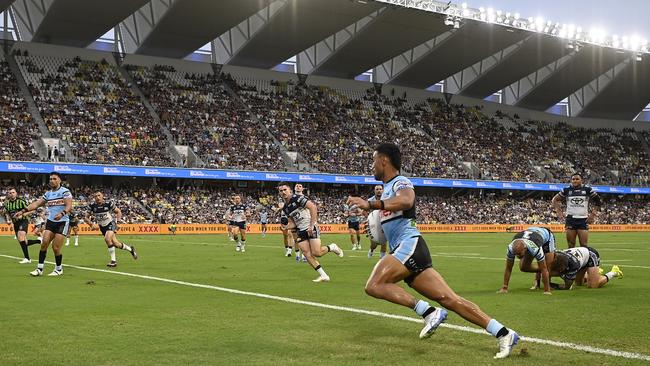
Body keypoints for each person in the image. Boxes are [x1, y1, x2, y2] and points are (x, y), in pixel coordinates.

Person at [346, 143, 518, 359]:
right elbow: (387, 223)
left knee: (374, 285)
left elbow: (407, 200)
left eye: (373, 161)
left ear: (384, 161)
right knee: (450, 299)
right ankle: (504, 333)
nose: (371, 166)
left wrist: (372, 205)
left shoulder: (401, 182)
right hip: (409, 249)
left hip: (409, 245)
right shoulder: (386, 191)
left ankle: (428, 311)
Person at [278, 182, 343, 282]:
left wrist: (312, 225)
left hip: (310, 227)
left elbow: (313, 207)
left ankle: (332, 247)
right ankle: (324, 275)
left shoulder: (298, 198)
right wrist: (285, 227)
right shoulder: (285, 208)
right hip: (300, 230)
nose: (283, 192)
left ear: (290, 190)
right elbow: (292, 223)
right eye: (281, 191)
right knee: (307, 254)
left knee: (317, 253)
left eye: (285, 190)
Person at [15, 172, 71, 276]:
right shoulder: (48, 194)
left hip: (62, 222)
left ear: (59, 180)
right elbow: (36, 204)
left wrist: (62, 213)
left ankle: (58, 269)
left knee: (56, 247)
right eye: (50, 179)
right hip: (50, 221)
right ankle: (39, 269)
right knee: (44, 243)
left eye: (54, 179)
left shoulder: (65, 192)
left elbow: (69, 205)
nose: (52, 181)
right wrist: (23, 211)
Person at [86, 191, 138, 267]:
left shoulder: (108, 203)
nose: (97, 197)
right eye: (95, 196)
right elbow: (86, 217)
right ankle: (131, 249)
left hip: (110, 223)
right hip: (102, 226)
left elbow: (118, 212)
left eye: (99, 195)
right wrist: (91, 224)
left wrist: (118, 222)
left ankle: (113, 261)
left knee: (107, 239)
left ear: (102, 196)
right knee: (116, 244)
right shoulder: (92, 206)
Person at [497, 227, 555, 295]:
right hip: (532, 235)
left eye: (519, 254)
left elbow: (544, 268)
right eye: (516, 254)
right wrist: (504, 287)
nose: (518, 256)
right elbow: (508, 268)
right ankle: (539, 278)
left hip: (547, 237)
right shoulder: (510, 248)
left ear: (525, 249)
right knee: (524, 267)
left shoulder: (535, 248)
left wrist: (547, 291)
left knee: (547, 267)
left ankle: (548, 285)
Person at [552, 173, 601, 248]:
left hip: (583, 219)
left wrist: (593, 215)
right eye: (573, 179)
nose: (575, 181)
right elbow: (555, 199)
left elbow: (598, 201)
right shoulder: (566, 190)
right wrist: (558, 212)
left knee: (584, 245)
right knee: (571, 245)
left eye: (577, 179)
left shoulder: (587, 189)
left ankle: (584, 259)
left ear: (581, 180)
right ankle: (572, 260)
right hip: (570, 219)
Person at [549, 246, 623, 289]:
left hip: (590, 255)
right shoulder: (554, 257)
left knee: (593, 285)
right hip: (581, 258)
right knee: (579, 283)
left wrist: (551, 285)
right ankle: (593, 273)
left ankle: (614, 272)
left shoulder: (573, 265)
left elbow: (568, 286)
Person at [2, 187, 42, 264]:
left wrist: (22, 215)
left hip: (23, 221)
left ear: (16, 193)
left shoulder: (21, 201)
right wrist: (8, 220)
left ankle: (27, 258)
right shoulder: (7, 203)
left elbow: (32, 210)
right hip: (15, 223)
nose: (12, 194)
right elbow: (6, 212)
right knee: (24, 242)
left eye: (13, 192)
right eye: (10, 193)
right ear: (8, 194)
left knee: (21, 237)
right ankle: (39, 241)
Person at [366, 185, 387, 259]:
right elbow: (365, 211)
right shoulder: (370, 201)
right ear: (374, 191)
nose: (379, 190)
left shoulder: (386, 199)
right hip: (374, 223)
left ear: (383, 190)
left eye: (380, 189)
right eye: (377, 189)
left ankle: (382, 259)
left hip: (384, 222)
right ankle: (371, 250)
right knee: (374, 243)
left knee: (384, 242)